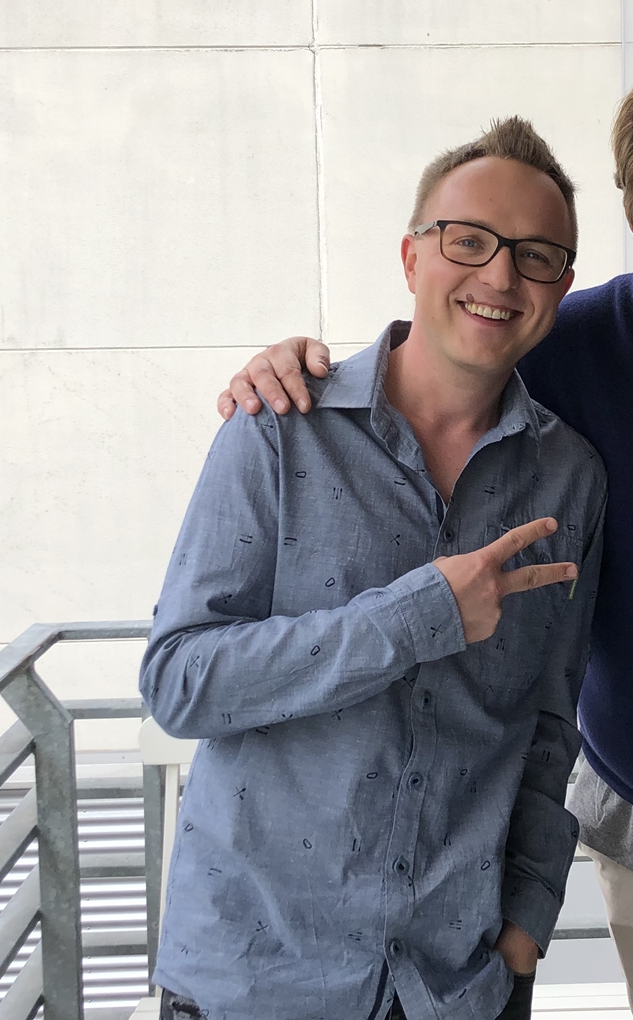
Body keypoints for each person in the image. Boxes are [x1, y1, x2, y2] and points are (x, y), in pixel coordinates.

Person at [141, 117, 606, 1020]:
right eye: (469, 240)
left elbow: (551, 720)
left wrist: (526, 924)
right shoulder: (278, 429)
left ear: (561, 287)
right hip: (260, 978)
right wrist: (415, 616)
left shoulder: (570, 478)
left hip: (460, 983)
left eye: (536, 255)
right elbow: (179, 683)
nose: (500, 276)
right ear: (411, 256)